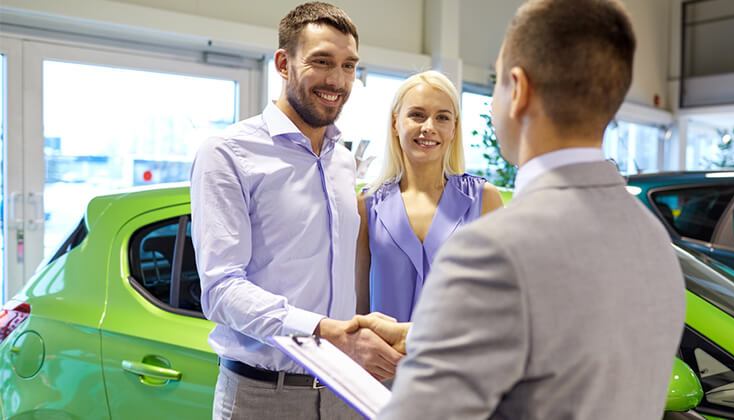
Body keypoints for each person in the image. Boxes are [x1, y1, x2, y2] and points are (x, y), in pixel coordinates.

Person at [371, 0, 687, 418]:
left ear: (517, 91)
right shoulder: (654, 243)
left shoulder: (493, 249)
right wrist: (421, 335)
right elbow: (554, 346)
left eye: (496, 82)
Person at [190, 3, 401, 419]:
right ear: (284, 63)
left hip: (345, 389)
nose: (337, 81)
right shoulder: (228, 152)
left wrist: (363, 332)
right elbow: (221, 291)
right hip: (261, 395)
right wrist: (325, 332)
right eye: (321, 62)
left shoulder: (342, 161)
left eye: (348, 66)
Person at [355, 70, 504, 321]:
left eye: (442, 118)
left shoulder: (484, 200)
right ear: (395, 122)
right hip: (383, 358)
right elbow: (360, 305)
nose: (429, 128)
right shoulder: (367, 206)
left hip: (458, 358)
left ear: (454, 128)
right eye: (417, 115)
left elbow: (501, 300)